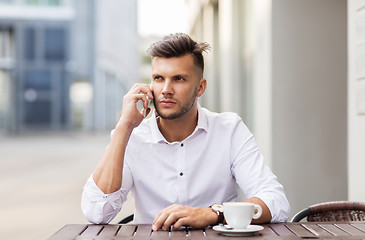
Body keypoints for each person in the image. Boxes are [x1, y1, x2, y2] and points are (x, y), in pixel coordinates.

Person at [81, 33, 290, 231]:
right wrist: (123, 128)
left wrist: (213, 213)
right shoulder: (132, 136)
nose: (166, 89)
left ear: (200, 88)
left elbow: (276, 202)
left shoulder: (229, 130)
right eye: (159, 78)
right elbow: (97, 212)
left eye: (179, 79)